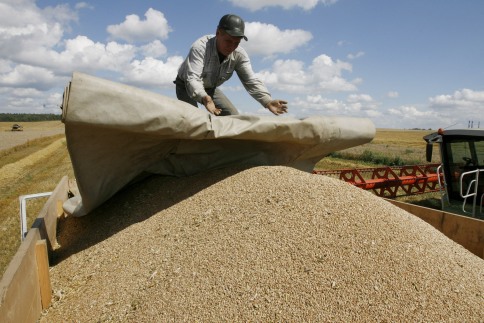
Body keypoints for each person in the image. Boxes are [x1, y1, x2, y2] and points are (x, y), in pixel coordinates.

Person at [174, 14, 288, 116]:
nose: (232, 47)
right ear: (218, 33)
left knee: (232, 116)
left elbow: (251, 80)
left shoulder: (239, 55)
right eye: (228, 41)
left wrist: (267, 101)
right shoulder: (200, 47)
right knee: (192, 118)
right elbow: (192, 78)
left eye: (237, 43)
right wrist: (204, 99)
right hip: (185, 85)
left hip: (210, 88)